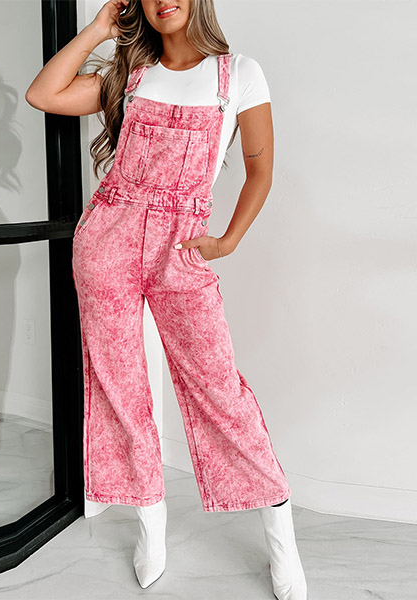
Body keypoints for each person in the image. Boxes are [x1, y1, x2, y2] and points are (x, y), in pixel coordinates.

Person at [26, 1, 307, 598]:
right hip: (109, 239)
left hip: (182, 246)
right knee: (118, 385)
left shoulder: (238, 74)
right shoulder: (131, 73)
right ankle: (149, 524)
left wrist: (227, 241)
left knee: (218, 388)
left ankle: (281, 536)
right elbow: (43, 94)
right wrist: (99, 29)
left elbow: (260, 172)